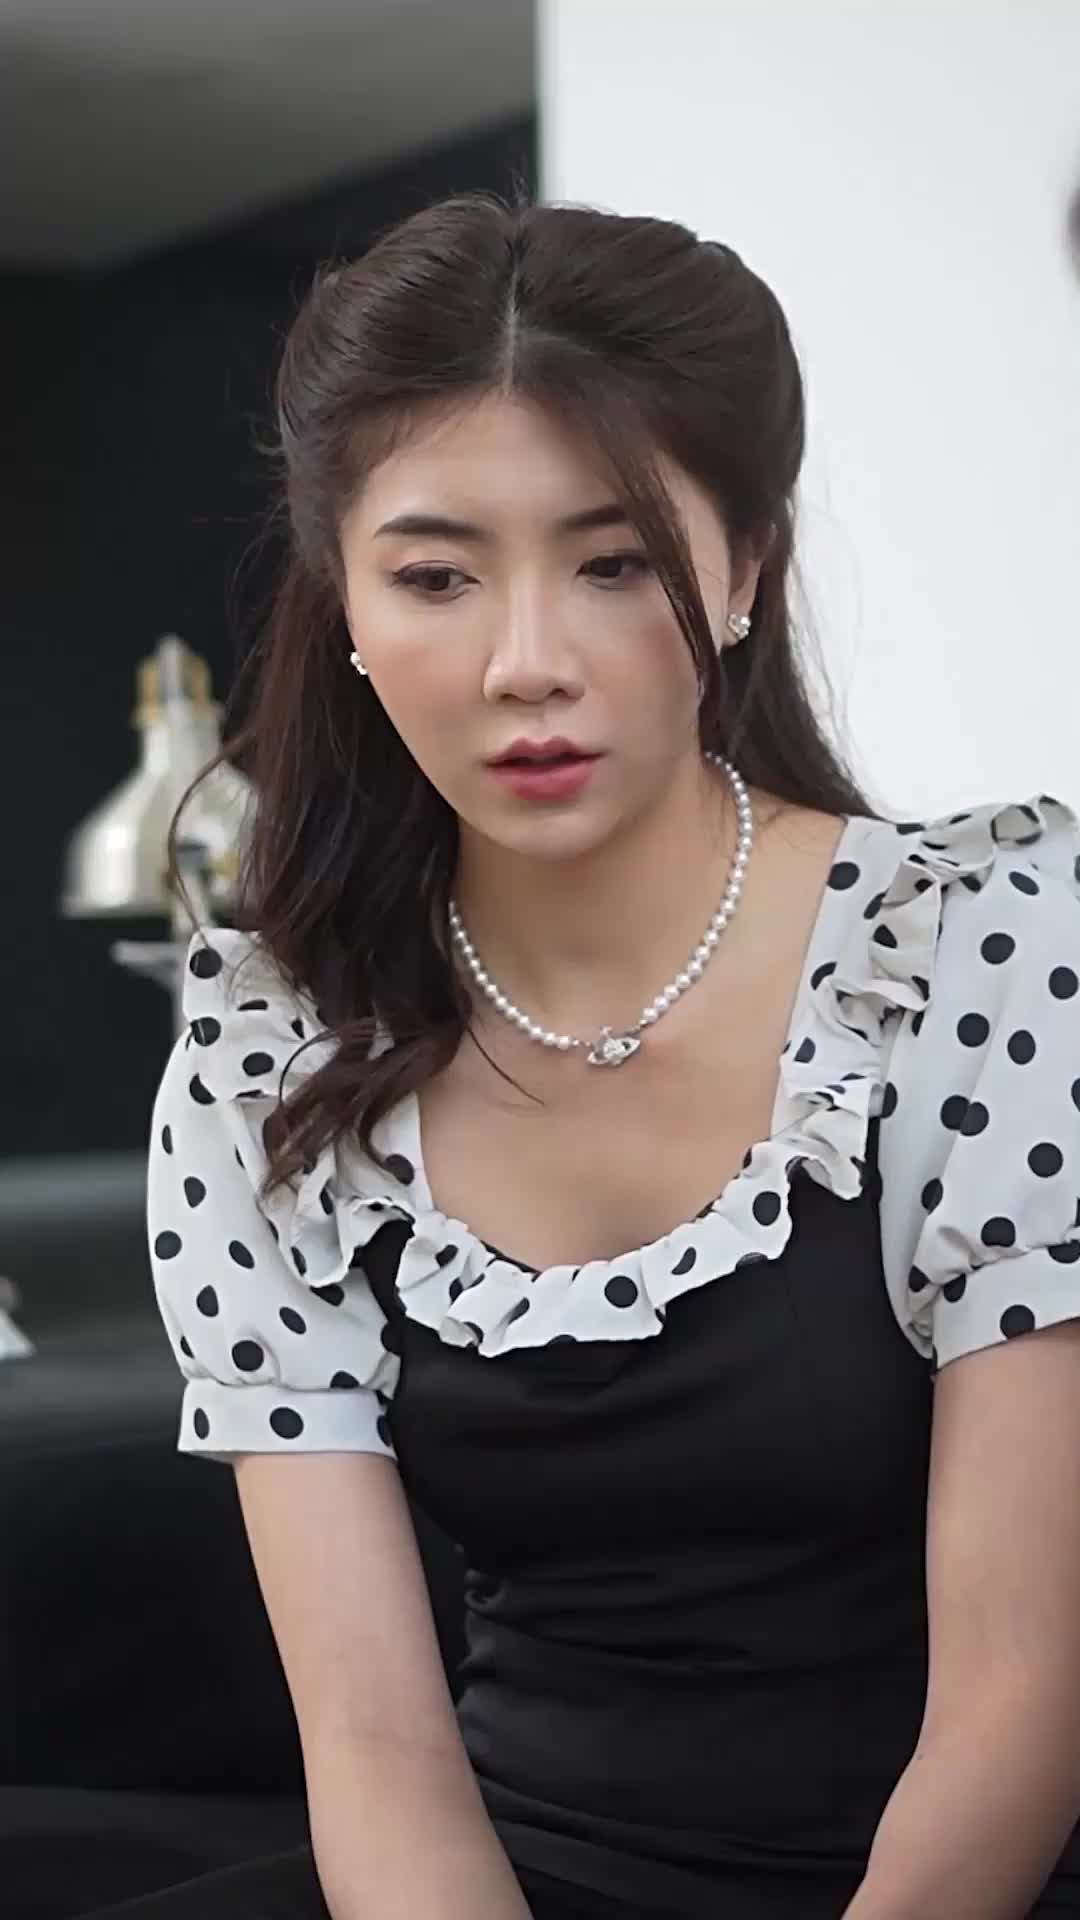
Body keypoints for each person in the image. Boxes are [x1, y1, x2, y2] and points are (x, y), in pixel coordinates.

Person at [87, 193, 1080, 1919]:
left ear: (745, 566)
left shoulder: (980, 945)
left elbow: (1024, 1695)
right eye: (434, 577)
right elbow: (378, 1750)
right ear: (344, 600)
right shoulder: (269, 1058)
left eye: (614, 563)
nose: (526, 664)